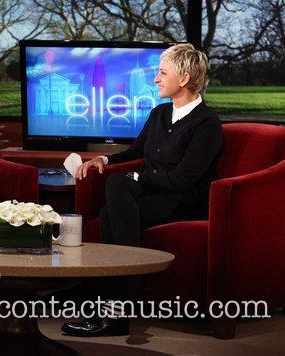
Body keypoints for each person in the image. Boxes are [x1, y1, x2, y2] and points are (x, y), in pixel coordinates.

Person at [61, 43, 223, 337]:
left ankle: (109, 311)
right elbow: (135, 151)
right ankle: (121, 306)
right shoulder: (160, 113)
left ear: (184, 78)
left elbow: (183, 180)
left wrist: (136, 178)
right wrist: (103, 158)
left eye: (162, 72)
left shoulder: (207, 124)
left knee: (112, 206)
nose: (156, 79)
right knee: (113, 204)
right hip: (151, 196)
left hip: (181, 201)